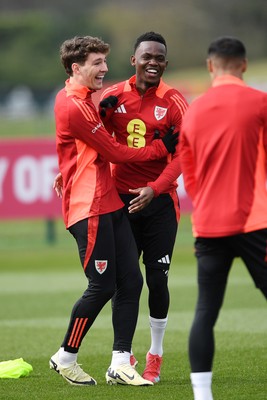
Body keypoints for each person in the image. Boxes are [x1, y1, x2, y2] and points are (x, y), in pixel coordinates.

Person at [49, 35, 178, 387]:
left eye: (106, 62)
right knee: (102, 286)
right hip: (88, 206)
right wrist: (159, 148)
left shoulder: (86, 98)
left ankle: (121, 361)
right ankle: (66, 356)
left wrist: (67, 164)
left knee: (133, 280)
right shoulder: (75, 106)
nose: (105, 68)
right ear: (76, 68)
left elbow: (85, 146)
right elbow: (116, 152)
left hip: (110, 201)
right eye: (97, 63)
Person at [179, 36, 267, 400]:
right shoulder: (260, 102)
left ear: (210, 66)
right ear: (244, 65)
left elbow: (190, 174)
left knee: (205, 310)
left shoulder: (193, 111)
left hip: (210, 225)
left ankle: (203, 395)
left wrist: (210, 205)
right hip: (255, 222)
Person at [99, 31, 188, 383]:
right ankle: (123, 356)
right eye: (147, 56)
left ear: (166, 63)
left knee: (157, 280)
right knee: (125, 282)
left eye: (160, 58)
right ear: (133, 60)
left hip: (161, 203)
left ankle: (156, 352)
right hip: (120, 202)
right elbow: (91, 138)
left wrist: (155, 188)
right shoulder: (111, 97)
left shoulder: (176, 101)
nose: (154, 62)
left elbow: (186, 154)